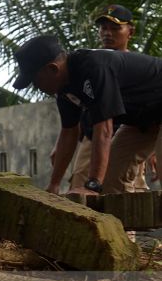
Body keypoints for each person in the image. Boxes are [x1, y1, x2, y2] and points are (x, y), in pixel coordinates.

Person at [12, 34, 162, 195]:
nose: (36, 87)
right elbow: (69, 132)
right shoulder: (64, 88)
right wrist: (54, 185)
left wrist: (92, 185)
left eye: (36, 81)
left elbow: (104, 128)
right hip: (143, 119)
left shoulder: (94, 67)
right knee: (112, 176)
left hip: (155, 107)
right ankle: (126, 220)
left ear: (52, 68)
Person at [66, 5, 148, 192]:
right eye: (103, 28)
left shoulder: (139, 66)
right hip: (93, 136)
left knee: (129, 189)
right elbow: (78, 103)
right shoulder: (91, 62)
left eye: (115, 28)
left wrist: (151, 150)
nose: (107, 33)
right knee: (80, 188)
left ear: (130, 31)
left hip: (130, 133)